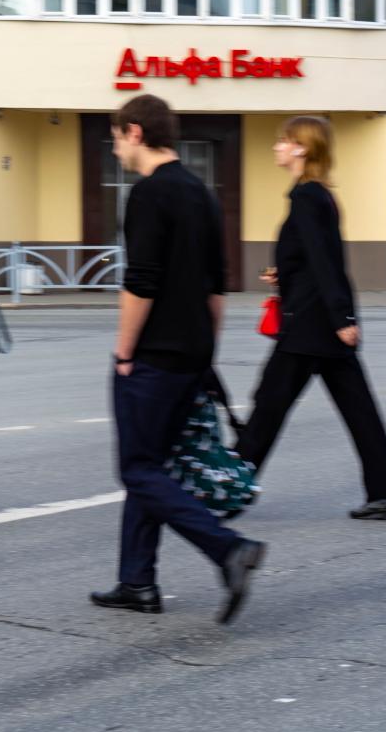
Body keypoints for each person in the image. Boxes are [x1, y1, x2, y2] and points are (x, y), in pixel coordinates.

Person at [90, 94, 265, 625]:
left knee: (138, 469)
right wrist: (205, 351)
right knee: (155, 465)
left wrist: (124, 352)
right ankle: (137, 581)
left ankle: (227, 550)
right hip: (192, 355)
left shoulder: (148, 195)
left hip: (154, 358)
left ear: (136, 132)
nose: (116, 146)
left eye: (118, 136)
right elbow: (217, 288)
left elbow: (140, 283)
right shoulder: (201, 194)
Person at [234, 116, 386, 520]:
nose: (277, 147)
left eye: (284, 141)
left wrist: (343, 317)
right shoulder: (313, 195)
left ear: (302, 148)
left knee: (268, 405)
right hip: (321, 323)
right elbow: (313, 259)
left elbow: (327, 262)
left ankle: (229, 489)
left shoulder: (308, 197)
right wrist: (285, 272)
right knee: (357, 411)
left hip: (311, 327)